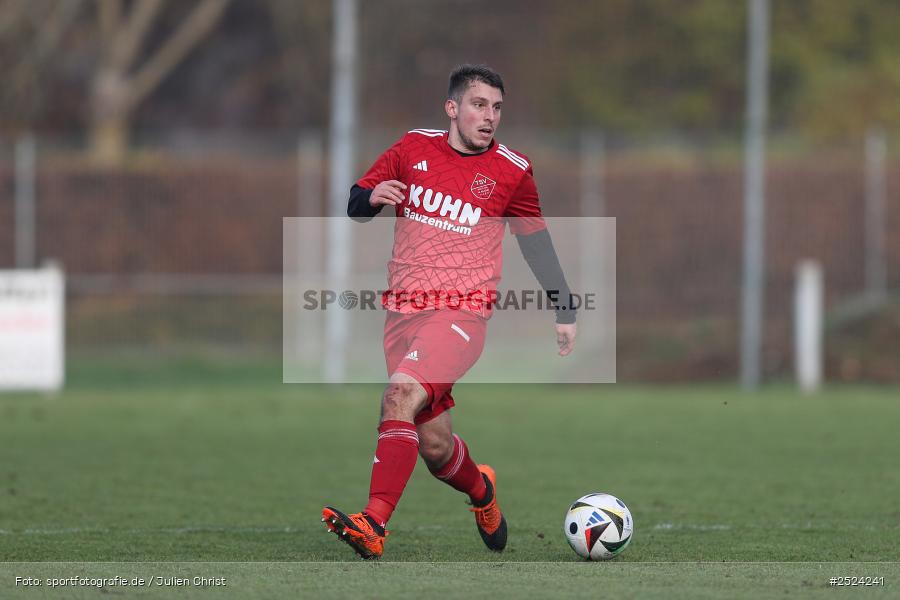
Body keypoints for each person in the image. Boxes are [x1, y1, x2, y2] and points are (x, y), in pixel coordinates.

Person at [322, 64, 577, 559]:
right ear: (452, 108)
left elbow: (536, 244)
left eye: (497, 108)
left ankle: (373, 522)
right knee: (435, 448)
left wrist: (564, 307)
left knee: (398, 396)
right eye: (479, 105)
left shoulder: (512, 170)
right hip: (402, 315)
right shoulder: (412, 148)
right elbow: (355, 204)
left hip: (462, 315)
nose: (490, 116)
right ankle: (482, 490)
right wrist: (372, 198)